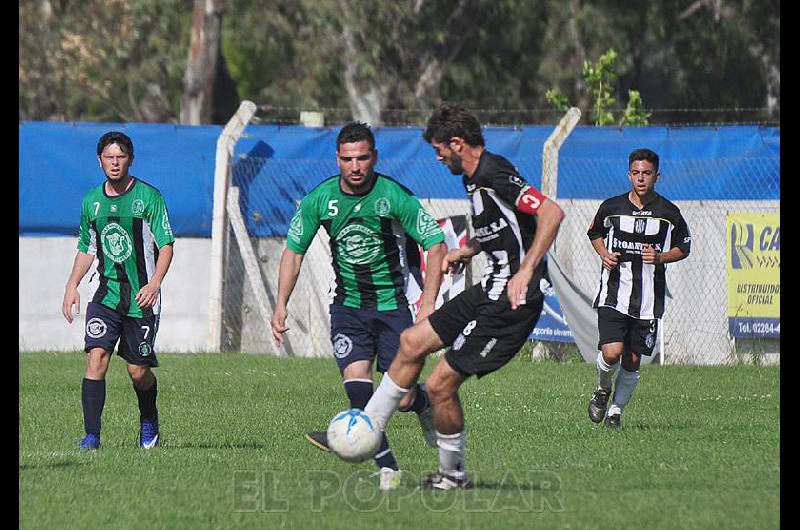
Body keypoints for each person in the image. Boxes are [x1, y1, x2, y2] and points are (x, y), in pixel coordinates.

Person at [360, 103, 566, 490]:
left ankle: (453, 476)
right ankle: (366, 429)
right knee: (411, 341)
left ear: (457, 143)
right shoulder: (473, 178)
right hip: (488, 287)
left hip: (510, 303)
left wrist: (526, 270)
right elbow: (502, 225)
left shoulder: (493, 172)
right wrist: (468, 249)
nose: (438, 158)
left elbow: (551, 213)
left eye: (440, 150)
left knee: (439, 385)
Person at [270, 122, 447, 490]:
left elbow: (435, 242)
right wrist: (281, 304)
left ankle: (424, 402)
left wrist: (427, 306)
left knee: (399, 399)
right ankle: (388, 468)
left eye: (363, 158)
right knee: (358, 392)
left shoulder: (394, 195)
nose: (355, 166)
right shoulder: (321, 199)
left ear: (374, 157)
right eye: (348, 159)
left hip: (393, 308)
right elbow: (293, 252)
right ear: (337, 159)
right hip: (347, 309)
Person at [62, 131, 175, 451]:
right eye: (109, 157)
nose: (115, 162)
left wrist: (154, 284)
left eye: (120, 156)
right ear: (99, 161)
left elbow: (166, 246)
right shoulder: (91, 201)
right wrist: (72, 285)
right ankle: (92, 436)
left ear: (131, 159)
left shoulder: (149, 198)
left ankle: (149, 417)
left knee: (138, 371)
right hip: (105, 293)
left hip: (142, 295)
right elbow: (87, 248)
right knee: (96, 357)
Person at [586, 148, 691, 429]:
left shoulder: (669, 213)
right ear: (629, 175)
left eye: (646, 173)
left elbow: (684, 247)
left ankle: (615, 412)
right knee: (611, 352)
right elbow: (594, 232)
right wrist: (603, 254)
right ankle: (602, 389)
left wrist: (660, 257)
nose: (641, 178)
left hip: (648, 301)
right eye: (636, 173)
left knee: (632, 361)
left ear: (657, 176)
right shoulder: (612, 207)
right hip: (613, 294)